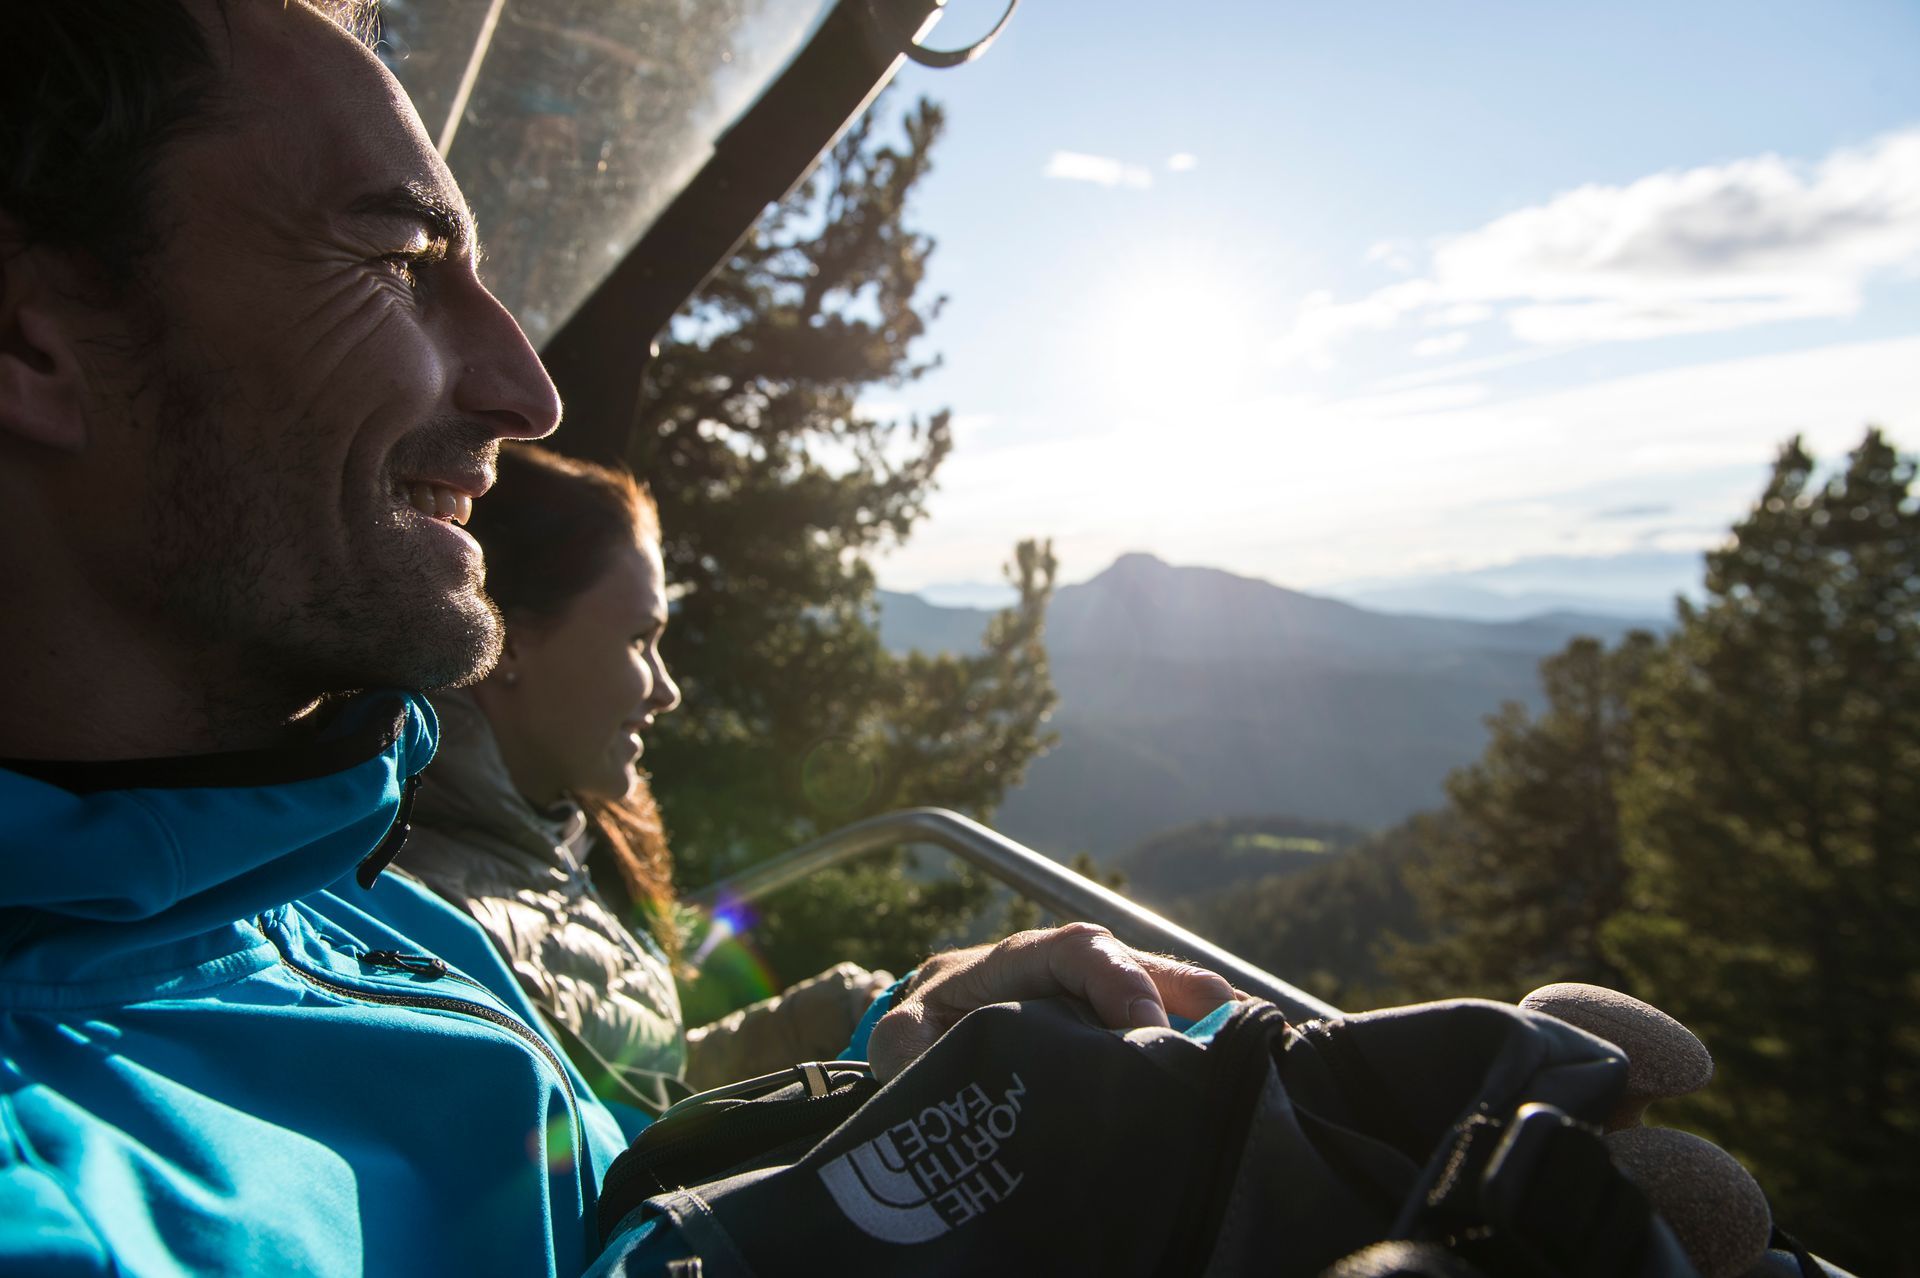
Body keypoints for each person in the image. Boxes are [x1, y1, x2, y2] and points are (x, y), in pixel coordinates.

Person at [0, 3, 1238, 1275]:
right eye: (395, 259)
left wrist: (892, 1046)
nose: (525, 390)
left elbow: (613, 1168)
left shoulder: (315, 896)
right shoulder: (61, 1191)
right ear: (27, 333)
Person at [397, 442, 890, 1126]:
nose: (666, 690)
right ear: (507, 640)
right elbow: (629, 1156)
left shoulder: (545, 843)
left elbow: (643, 1083)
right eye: (639, 640)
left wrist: (849, 1011)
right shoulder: (444, 927)